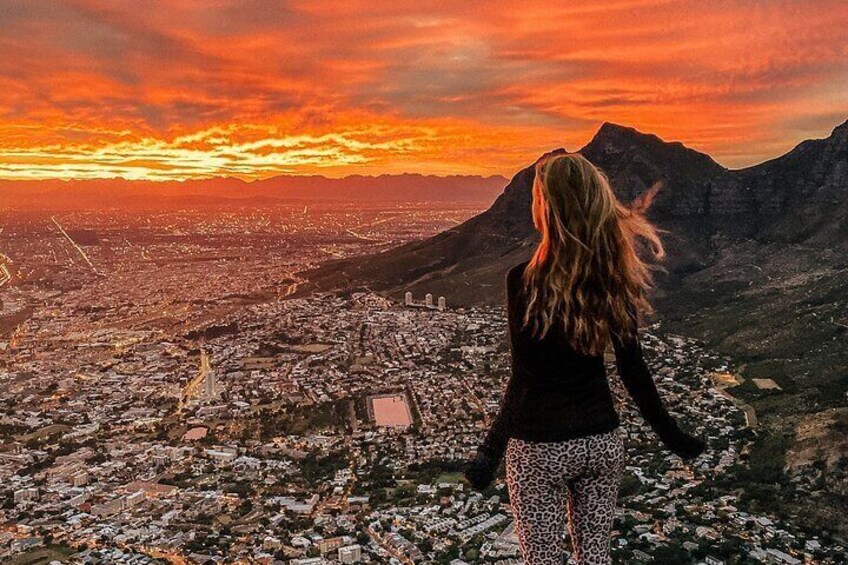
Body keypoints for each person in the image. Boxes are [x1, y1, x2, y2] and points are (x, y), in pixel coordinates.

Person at [463, 152, 706, 565]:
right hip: (601, 442)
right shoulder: (612, 277)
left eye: (537, 198)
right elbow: (633, 369)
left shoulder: (524, 281)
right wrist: (673, 436)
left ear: (547, 208)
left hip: (541, 450)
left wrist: (489, 452)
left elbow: (524, 378)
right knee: (596, 559)